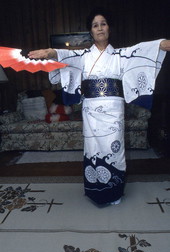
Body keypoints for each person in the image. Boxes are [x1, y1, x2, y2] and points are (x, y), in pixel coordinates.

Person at [28, 8, 170, 206]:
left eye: (103, 23)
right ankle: (95, 190)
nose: (100, 28)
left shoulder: (122, 55)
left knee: (114, 150)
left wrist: (164, 44)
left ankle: (114, 191)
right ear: (91, 31)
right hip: (91, 110)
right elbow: (63, 56)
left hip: (113, 109)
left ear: (109, 28)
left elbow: (146, 49)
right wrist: (49, 52)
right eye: (95, 25)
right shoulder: (83, 56)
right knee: (93, 148)